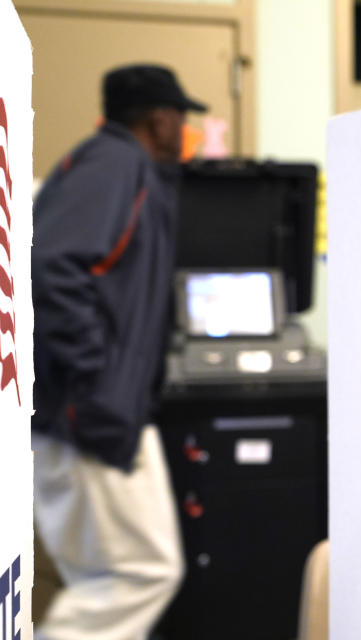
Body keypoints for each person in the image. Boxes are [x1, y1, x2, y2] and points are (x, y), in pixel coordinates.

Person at [31, 64, 207, 640]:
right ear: (160, 119)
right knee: (140, 573)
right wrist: (97, 377)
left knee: (111, 577)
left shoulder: (112, 165)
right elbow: (52, 266)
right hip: (92, 413)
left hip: (103, 410)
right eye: (181, 118)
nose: (184, 130)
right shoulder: (114, 165)